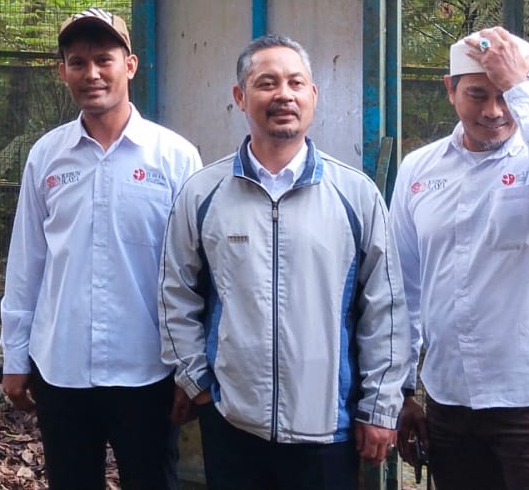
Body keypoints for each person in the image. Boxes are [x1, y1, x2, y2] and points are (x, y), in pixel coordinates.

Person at [158, 34, 406, 490]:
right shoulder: (202, 193)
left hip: (328, 429)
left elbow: (386, 309)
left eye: (296, 83)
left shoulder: (356, 195)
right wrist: (197, 383)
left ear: (313, 95)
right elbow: (176, 291)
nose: (283, 95)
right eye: (266, 83)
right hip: (233, 424)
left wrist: (379, 407)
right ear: (240, 97)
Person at [0, 7, 204, 490]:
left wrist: (189, 371)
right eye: (77, 62)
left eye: (104, 60)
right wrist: (15, 357)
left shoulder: (174, 157)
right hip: (61, 368)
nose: (91, 74)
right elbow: (27, 262)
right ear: (63, 72)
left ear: (129, 66)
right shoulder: (47, 156)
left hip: (148, 371)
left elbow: (195, 272)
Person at [392, 26, 529, 490]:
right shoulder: (418, 170)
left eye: (503, 94)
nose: (493, 111)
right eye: (477, 94)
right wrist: (403, 390)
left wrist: (519, 87)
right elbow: (403, 287)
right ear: (449, 89)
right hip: (451, 399)